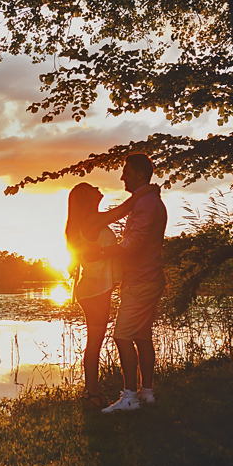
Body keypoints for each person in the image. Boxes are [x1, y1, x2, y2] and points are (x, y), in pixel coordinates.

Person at [84, 153, 167, 413]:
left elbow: (132, 245)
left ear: (140, 174)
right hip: (148, 278)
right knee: (142, 337)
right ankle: (147, 393)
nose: (122, 177)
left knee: (122, 336)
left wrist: (99, 253)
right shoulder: (146, 200)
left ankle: (130, 397)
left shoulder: (145, 205)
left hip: (141, 280)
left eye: (127, 172)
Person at [65, 180, 160, 409]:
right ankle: (91, 394)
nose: (99, 190)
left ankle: (92, 392)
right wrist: (144, 191)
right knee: (95, 341)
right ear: (87, 199)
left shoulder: (87, 220)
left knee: (94, 341)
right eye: (93, 189)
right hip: (95, 288)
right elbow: (122, 210)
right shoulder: (92, 219)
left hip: (95, 287)